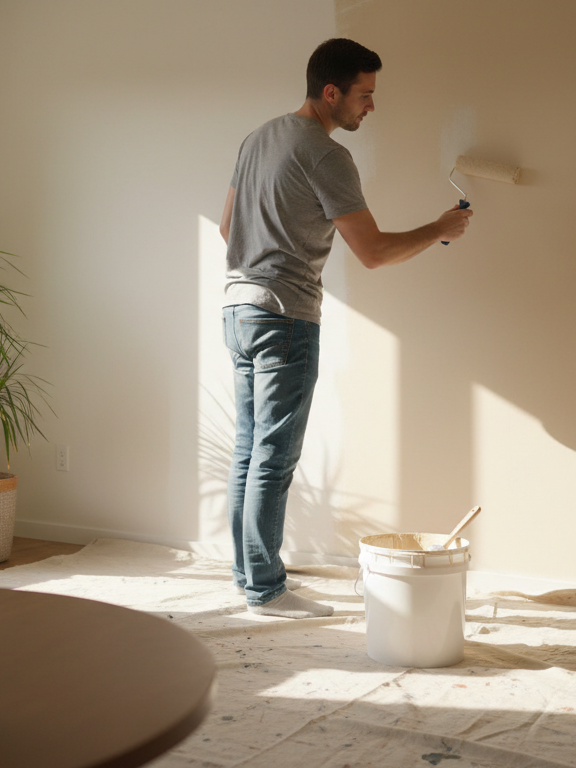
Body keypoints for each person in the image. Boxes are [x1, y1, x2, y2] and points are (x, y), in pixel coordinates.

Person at [219, 38, 473, 619]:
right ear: (330, 92)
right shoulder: (325, 155)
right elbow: (375, 253)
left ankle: (248, 578)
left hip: (237, 308)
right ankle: (266, 589)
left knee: (248, 452)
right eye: (365, 95)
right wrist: (439, 228)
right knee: (273, 457)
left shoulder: (258, 137)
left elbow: (228, 225)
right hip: (283, 315)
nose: (371, 107)